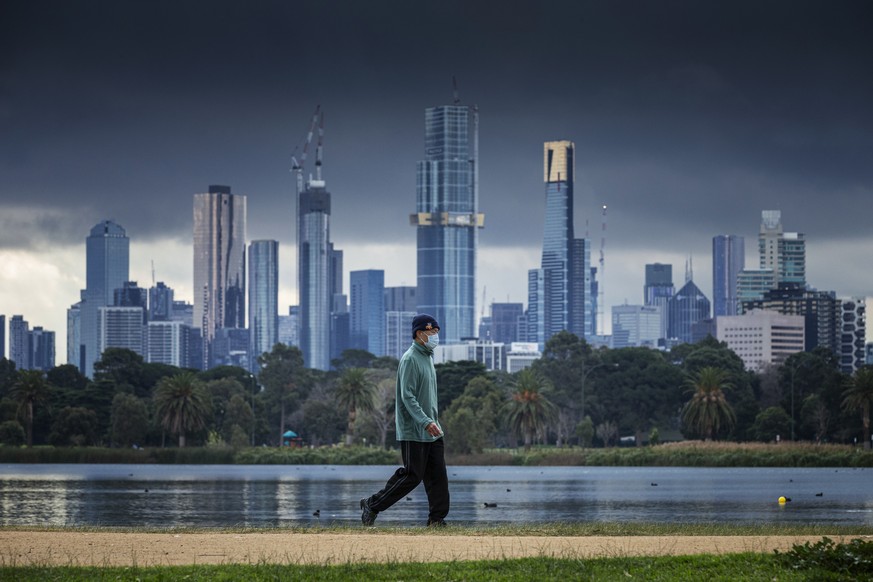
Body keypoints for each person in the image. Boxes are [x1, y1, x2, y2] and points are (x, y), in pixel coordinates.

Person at [360, 313, 449, 527]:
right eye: (432, 332)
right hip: (415, 430)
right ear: (419, 334)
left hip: (433, 429)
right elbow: (407, 397)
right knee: (411, 476)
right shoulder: (410, 359)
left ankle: (436, 520)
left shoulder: (428, 357)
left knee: (438, 477)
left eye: (437, 332)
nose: (435, 336)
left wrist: (433, 422)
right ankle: (372, 504)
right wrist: (424, 421)